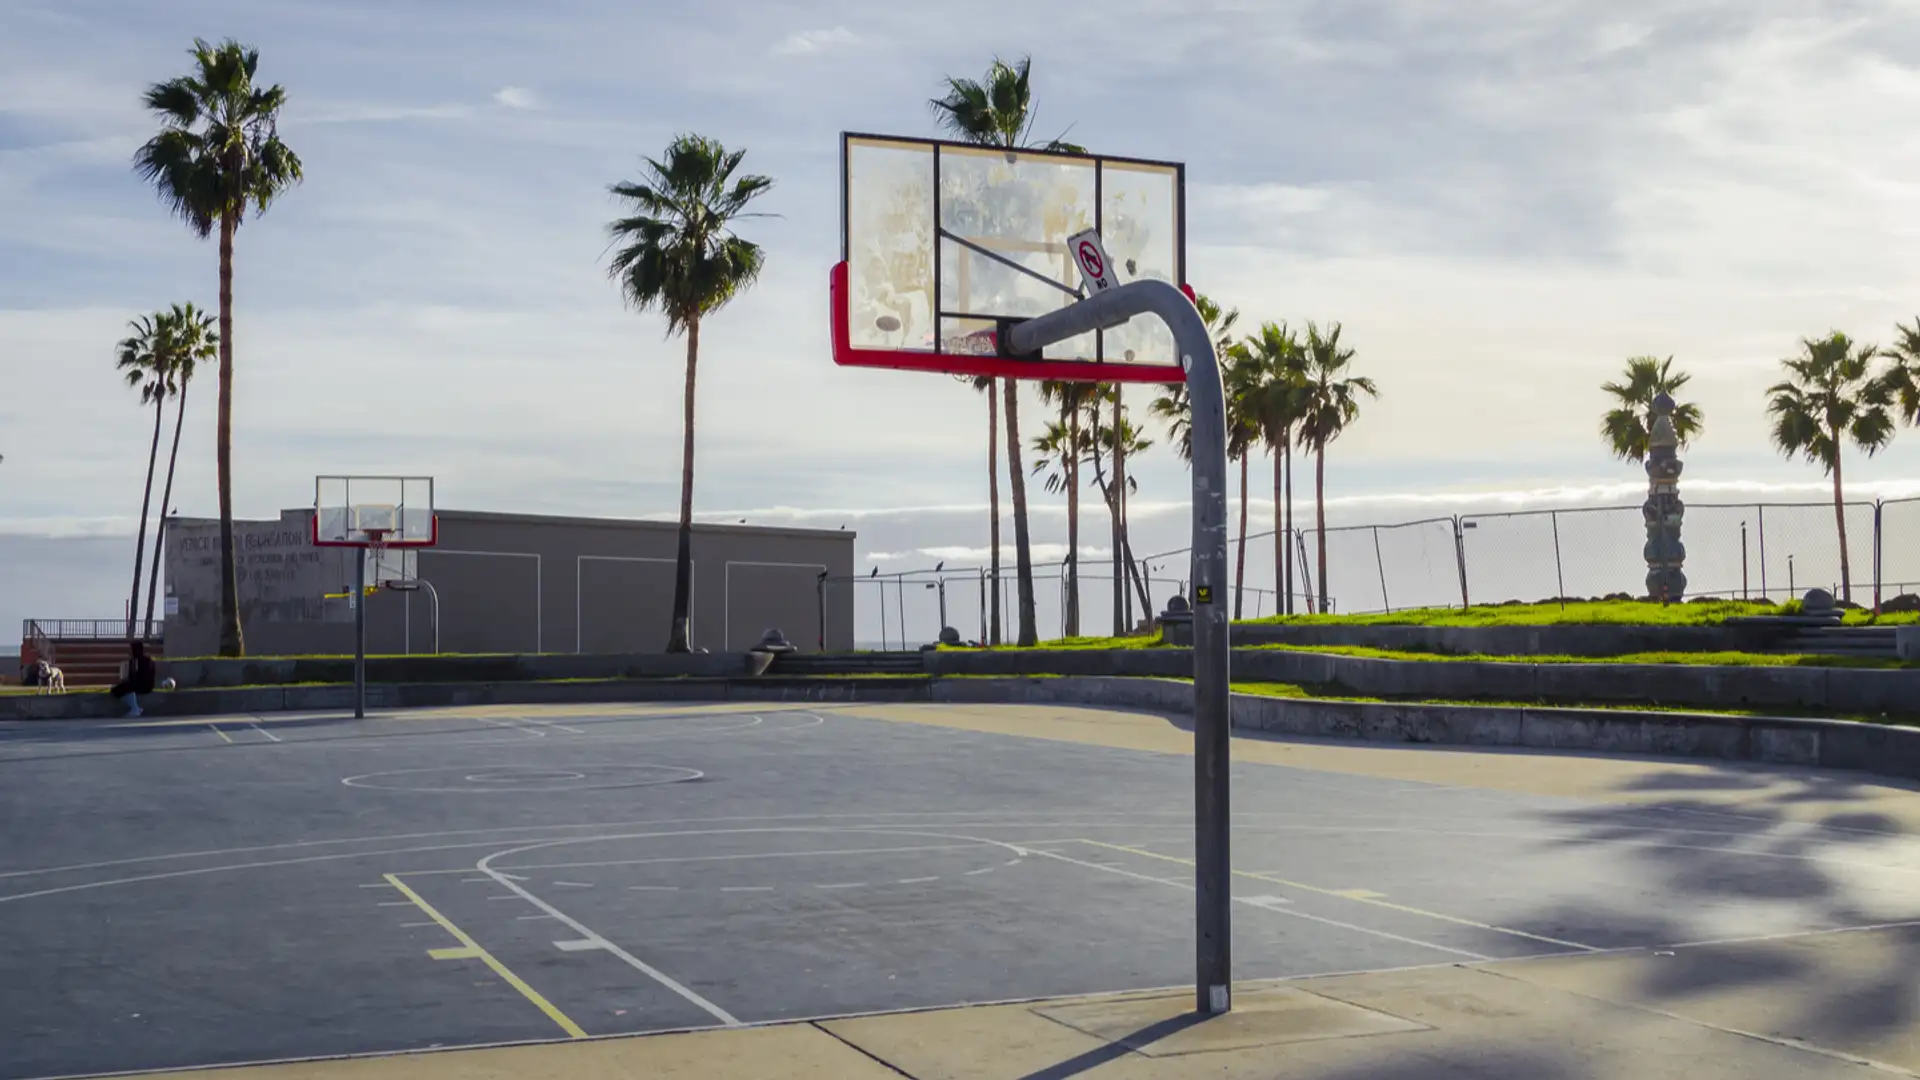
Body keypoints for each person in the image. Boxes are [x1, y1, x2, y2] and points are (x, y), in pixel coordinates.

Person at [109, 642, 156, 717]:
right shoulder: (133, 661)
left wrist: (131, 681)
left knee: (125, 688)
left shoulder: (146, 661)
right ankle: (136, 707)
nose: (130, 652)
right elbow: (131, 675)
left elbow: (144, 676)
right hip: (136, 683)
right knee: (116, 690)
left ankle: (135, 708)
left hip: (145, 684)